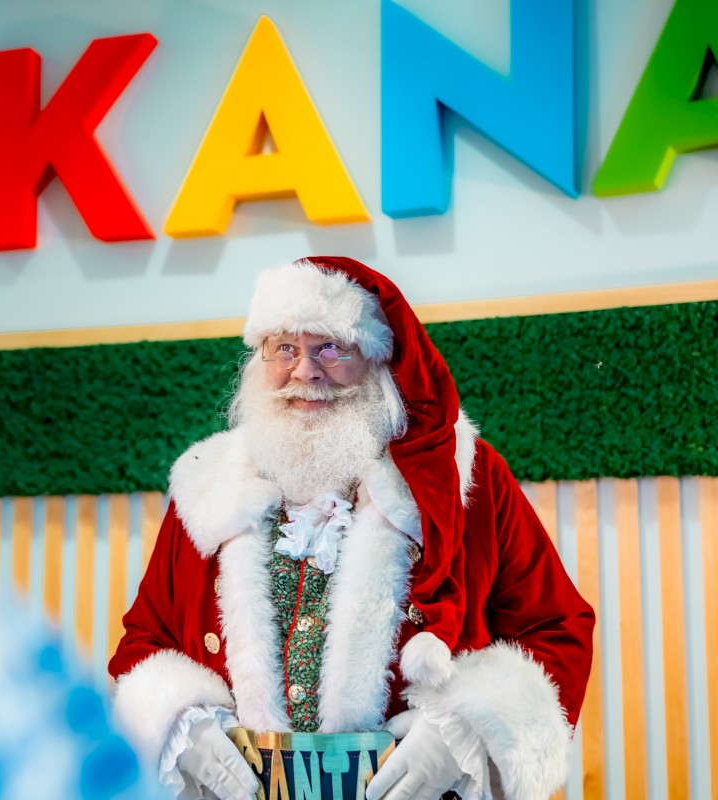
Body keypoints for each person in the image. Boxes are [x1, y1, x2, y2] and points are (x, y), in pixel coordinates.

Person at [108, 257, 595, 800]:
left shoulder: (466, 479)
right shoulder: (208, 487)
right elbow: (145, 639)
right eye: (285, 349)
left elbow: (557, 628)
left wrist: (465, 735)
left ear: (379, 360)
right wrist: (182, 726)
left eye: (332, 349)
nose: (306, 372)